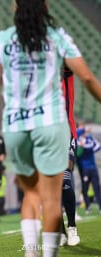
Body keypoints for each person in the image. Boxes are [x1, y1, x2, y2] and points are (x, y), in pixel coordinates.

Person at [0, 1, 101, 257]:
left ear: (15, 7)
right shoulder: (56, 37)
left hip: (16, 126)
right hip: (51, 124)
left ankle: (31, 254)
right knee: (52, 198)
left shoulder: (3, 40)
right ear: (44, 7)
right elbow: (88, 78)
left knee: (30, 193)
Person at [59, 66, 80, 247]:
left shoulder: (65, 76)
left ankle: (72, 227)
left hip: (67, 135)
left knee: (65, 180)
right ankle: (61, 232)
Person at [76, 124, 101, 214]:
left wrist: (87, 149)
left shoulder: (90, 138)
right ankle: (87, 207)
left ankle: (100, 207)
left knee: (97, 187)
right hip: (84, 168)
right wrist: (82, 148)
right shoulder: (76, 140)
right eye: (81, 128)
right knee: (85, 188)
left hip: (93, 167)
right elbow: (76, 152)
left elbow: (97, 147)